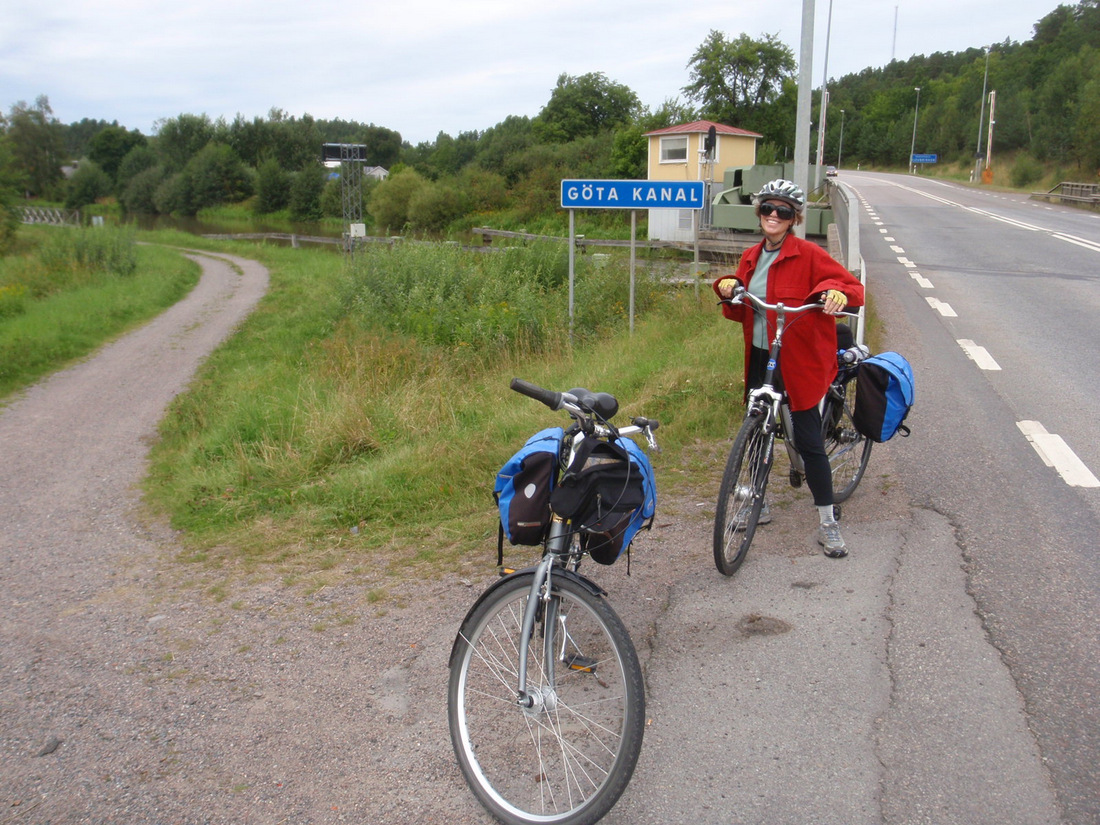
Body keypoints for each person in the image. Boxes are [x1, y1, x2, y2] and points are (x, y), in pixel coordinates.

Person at [713, 179, 865, 558]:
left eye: (783, 211)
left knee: (809, 441)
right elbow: (739, 307)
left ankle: (828, 522)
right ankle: (757, 501)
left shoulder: (809, 254)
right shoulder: (751, 256)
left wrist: (836, 292)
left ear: (794, 218)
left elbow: (851, 287)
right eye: (768, 208)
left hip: (799, 361)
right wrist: (729, 287)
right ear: (759, 212)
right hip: (761, 356)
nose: (774, 216)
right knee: (757, 429)